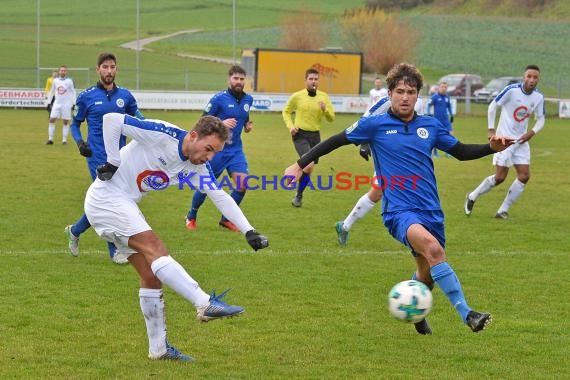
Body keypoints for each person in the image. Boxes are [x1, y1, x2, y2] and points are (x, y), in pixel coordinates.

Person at [285, 62, 514, 334]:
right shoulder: (375, 125)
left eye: (411, 92)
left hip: (431, 210)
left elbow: (461, 151)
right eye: (400, 91)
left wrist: (490, 147)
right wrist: (300, 164)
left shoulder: (430, 126)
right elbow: (336, 140)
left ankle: (415, 313)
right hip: (398, 211)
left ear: (418, 96)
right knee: (434, 250)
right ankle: (467, 314)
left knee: (427, 274)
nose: (405, 97)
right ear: (390, 94)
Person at [85, 112, 269, 361]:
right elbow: (112, 119)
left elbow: (220, 196)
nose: (210, 157)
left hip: (123, 203)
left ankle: (158, 349)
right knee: (156, 248)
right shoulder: (162, 135)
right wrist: (113, 160)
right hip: (107, 198)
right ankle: (204, 303)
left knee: (150, 276)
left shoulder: (197, 166)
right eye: (208, 149)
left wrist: (249, 230)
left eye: (214, 152)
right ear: (193, 136)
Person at [64, 52, 144, 263]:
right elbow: (74, 123)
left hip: (121, 157)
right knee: (109, 199)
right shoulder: (87, 96)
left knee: (109, 200)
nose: (109, 71)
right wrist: (80, 143)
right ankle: (114, 250)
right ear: (98, 69)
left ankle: (75, 230)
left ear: (116, 69)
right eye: (105, 67)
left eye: (112, 67)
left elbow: (140, 119)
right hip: (97, 156)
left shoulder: (125, 96)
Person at [335, 95, 425, 246]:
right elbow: (367, 118)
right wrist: (364, 144)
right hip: (388, 155)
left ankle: (344, 225)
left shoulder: (420, 101)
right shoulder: (386, 100)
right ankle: (417, 233)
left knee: (378, 194)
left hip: (409, 157)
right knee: (381, 193)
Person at [465, 65, 545, 219]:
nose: (532, 80)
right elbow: (492, 106)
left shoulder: (538, 97)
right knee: (500, 178)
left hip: (521, 141)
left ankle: (502, 210)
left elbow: (541, 119)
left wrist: (531, 133)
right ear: (524, 77)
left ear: (538, 79)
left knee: (524, 176)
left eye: (535, 77)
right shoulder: (511, 90)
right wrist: (491, 130)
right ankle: (472, 196)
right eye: (529, 76)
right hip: (504, 141)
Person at [185, 65, 254, 232]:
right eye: (235, 78)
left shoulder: (248, 100)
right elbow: (203, 121)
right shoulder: (218, 99)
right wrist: (221, 124)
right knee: (205, 186)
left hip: (236, 150)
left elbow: (243, 116)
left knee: (242, 184)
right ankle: (191, 215)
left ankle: (226, 219)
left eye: (241, 79)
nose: (238, 82)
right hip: (216, 151)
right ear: (229, 79)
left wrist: (247, 125)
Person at [282, 67, 335, 207]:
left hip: (315, 136)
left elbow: (331, 118)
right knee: (309, 164)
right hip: (300, 135)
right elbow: (286, 112)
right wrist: (291, 127)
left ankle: (298, 194)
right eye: (311, 79)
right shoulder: (297, 96)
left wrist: (325, 110)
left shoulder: (323, 97)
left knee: (309, 169)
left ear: (319, 81)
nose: (313, 81)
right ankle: (294, 178)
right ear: (305, 80)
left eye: (316, 79)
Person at [45, 65, 76, 145]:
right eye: (61, 70)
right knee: (52, 119)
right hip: (57, 104)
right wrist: (48, 102)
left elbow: (73, 92)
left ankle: (64, 140)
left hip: (66, 104)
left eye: (64, 70)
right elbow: (51, 91)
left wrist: (73, 103)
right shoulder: (55, 81)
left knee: (66, 121)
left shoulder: (69, 81)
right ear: (59, 71)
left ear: (66, 72)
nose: (63, 72)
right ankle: (50, 139)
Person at [427, 81, 454, 157]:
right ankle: (435, 153)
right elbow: (429, 105)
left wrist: (451, 114)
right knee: (435, 136)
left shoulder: (447, 97)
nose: (444, 88)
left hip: (446, 120)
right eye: (442, 87)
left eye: (445, 87)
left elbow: (449, 106)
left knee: (450, 135)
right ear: (439, 87)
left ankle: (448, 152)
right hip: (437, 120)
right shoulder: (435, 97)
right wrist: (429, 113)